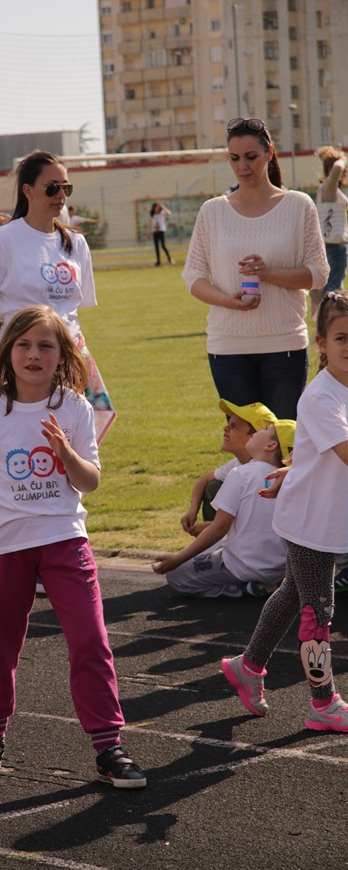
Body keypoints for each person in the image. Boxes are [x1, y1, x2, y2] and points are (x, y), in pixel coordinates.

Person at [0, 305, 146, 788]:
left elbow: (90, 481)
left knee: (91, 641)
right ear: (7, 351)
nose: (33, 354)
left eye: (45, 345)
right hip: (3, 546)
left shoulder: (75, 407)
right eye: (23, 344)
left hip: (64, 539)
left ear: (62, 354)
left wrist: (66, 454)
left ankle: (108, 746)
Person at [222, 291, 348, 730]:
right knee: (318, 609)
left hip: (322, 514)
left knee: (293, 594)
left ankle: (248, 665)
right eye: (341, 338)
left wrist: (293, 471)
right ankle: (323, 703)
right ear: (322, 344)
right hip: (312, 522)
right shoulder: (321, 397)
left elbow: (317, 454)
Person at [182, 117, 329, 420]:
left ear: (269, 153)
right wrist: (228, 301)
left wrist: (268, 273)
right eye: (234, 158)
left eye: (251, 157)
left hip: (284, 344)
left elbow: (318, 274)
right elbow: (193, 277)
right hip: (228, 347)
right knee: (244, 441)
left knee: (283, 438)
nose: (242, 166)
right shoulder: (213, 211)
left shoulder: (298, 205)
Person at [0, 149, 115, 444]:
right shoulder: (1, 241)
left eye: (66, 188)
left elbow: (72, 311)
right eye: (52, 188)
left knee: (77, 446)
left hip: (72, 359)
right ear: (28, 191)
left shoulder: (76, 243)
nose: (61, 195)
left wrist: (67, 355)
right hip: (29, 364)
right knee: (30, 444)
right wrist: (15, 352)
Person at [153, 418, 294, 598]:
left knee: (176, 576)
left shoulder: (241, 474)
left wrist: (178, 559)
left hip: (242, 565)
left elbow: (220, 528)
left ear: (271, 445)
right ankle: (266, 584)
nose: (259, 431)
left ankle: (242, 589)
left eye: (266, 429)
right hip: (279, 568)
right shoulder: (291, 480)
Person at [182, 400, 278, 536]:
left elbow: (258, 520)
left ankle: (214, 540)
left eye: (234, 426)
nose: (225, 428)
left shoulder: (262, 472)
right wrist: (193, 509)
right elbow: (204, 479)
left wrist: (212, 527)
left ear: (256, 436)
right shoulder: (238, 463)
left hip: (261, 539)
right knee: (213, 486)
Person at [310, 146, 348, 321]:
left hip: (328, 247)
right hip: (334, 248)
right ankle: (329, 323)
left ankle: (321, 321)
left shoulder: (326, 190)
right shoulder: (329, 188)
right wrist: (343, 159)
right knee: (333, 292)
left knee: (323, 290)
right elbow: (338, 167)